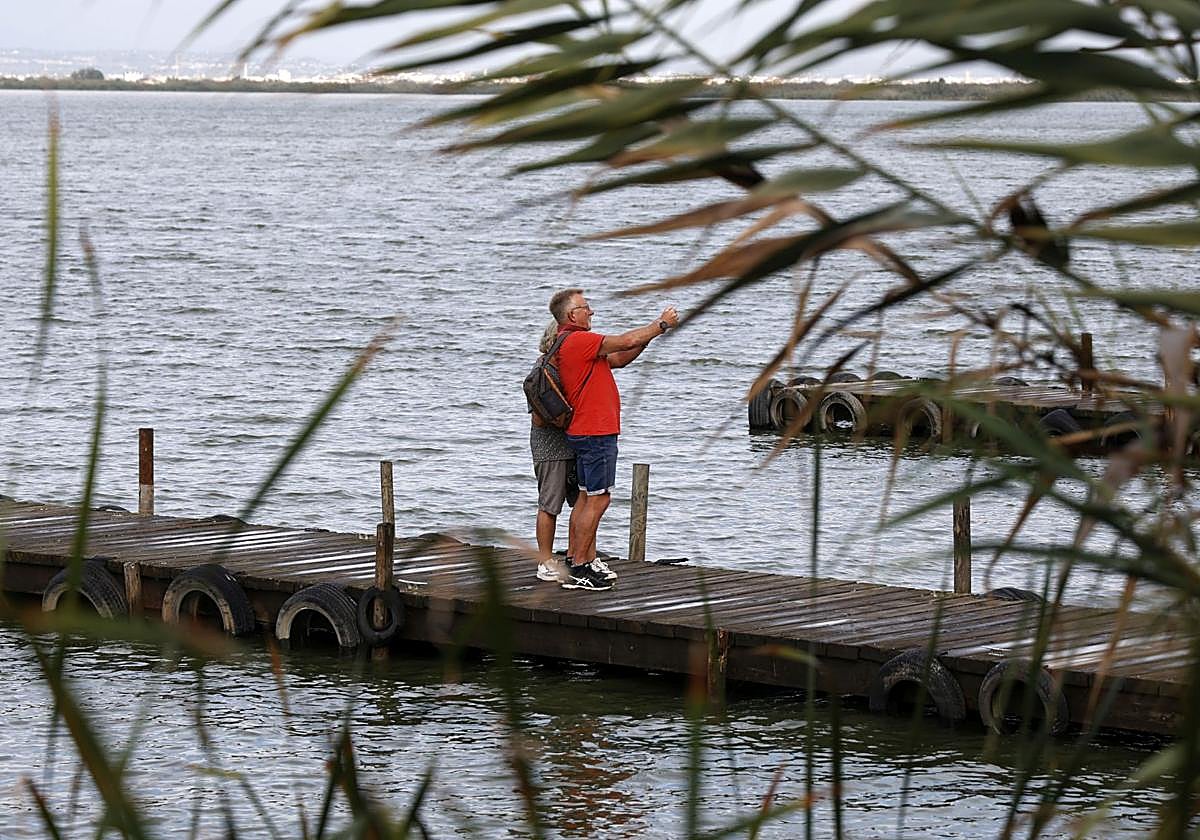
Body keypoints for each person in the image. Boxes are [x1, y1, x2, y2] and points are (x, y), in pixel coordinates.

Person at [549, 287, 679, 591]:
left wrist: (651, 337)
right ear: (572, 316)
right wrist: (660, 324)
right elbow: (627, 340)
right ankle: (580, 567)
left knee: (585, 497)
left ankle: (574, 559)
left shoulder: (572, 344)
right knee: (599, 498)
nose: (591, 311)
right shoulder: (580, 340)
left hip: (586, 431)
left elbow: (620, 358)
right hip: (595, 432)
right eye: (585, 307)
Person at [531, 321, 579, 582]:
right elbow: (539, 416)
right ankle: (545, 561)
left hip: (574, 442)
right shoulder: (543, 369)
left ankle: (576, 556)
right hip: (551, 446)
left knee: (580, 500)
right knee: (549, 504)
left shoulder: (565, 367)